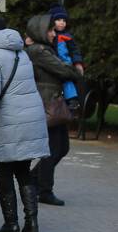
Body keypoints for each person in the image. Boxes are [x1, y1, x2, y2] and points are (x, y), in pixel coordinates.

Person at [0, 18, 51, 232]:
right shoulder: (20, 52)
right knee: (23, 171)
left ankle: (11, 224)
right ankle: (32, 225)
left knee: (5, 172)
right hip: (32, 116)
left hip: (10, 118)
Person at [23, 13, 80, 206]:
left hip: (52, 102)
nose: (54, 34)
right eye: (51, 30)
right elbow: (65, 70)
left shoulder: (45, 49)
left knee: (61, 147)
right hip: (47, 104)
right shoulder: (39, 51)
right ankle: (44, 189)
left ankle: (33, 179)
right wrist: (72, 69)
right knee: (54, 148)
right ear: (41, 31)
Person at [49, 5, 84, 112]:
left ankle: (72, 100)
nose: (62, 22)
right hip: (53, 64)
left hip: (66, 64)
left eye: (64, 20)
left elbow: (74, 50)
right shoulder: (49, 35)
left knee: (67, 81)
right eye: (58, 20)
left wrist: (77, 63)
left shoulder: (67, 37)